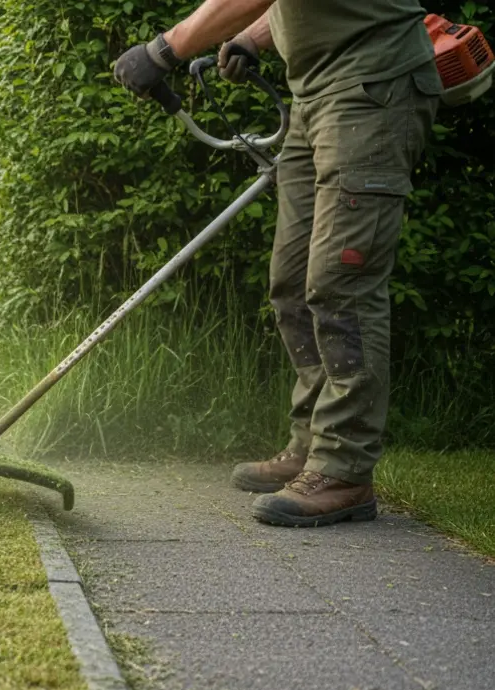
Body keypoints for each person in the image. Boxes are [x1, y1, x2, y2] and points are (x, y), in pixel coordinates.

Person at [113, 0, 441, 527]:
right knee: (291, 280)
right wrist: (254, 37)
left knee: (342, 283)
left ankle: (343, 468)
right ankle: (312, 444)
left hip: (372, 89)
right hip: (317, 98)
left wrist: (165, 48)